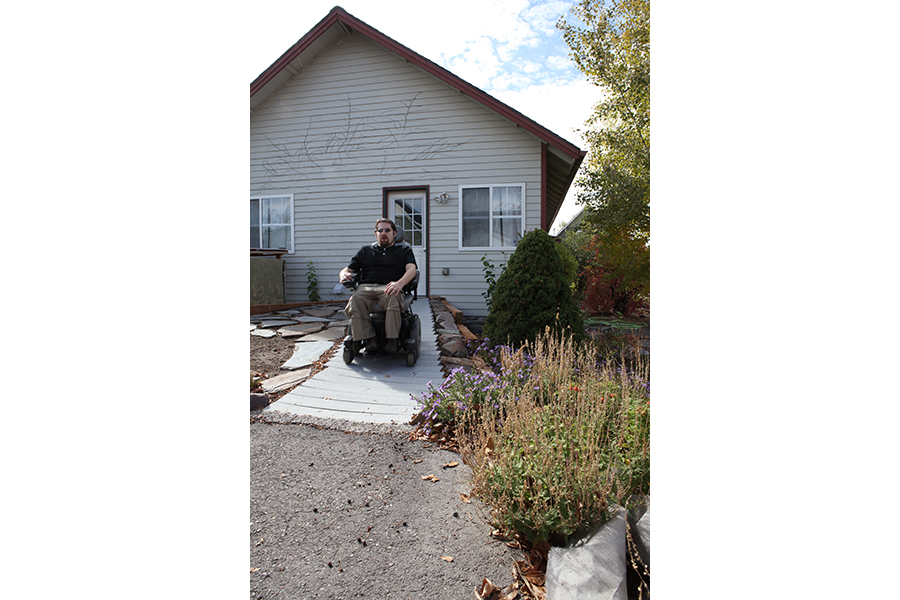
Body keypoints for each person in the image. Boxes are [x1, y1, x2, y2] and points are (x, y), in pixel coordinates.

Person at [339, 218, 417, 355]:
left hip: (390, 286)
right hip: (366, 287)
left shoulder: (404, 250)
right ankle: (369, 339)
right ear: (376, 234)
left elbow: (411, 269)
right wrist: (343, 274)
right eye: (380, 230)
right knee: (355, 299)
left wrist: (399, 283)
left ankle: (392, 339)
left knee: (392, 295)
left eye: (387, 230)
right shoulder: (365, 251)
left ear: (394, 233)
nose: (383, 233)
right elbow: (348, 269)